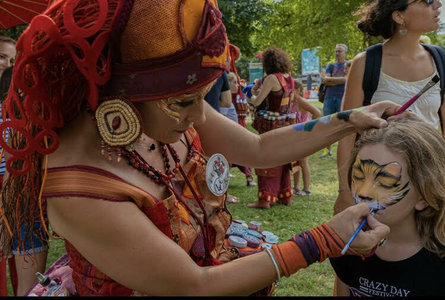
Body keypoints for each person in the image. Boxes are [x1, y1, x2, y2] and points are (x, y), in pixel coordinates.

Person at [0, 0, 403, 296]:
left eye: (203, 97)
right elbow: (193, 286)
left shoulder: (168, 109)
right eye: (184, 103)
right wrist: (321, 241)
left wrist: (352, 118)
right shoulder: (78, 183)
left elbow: (261, 148)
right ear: (120, 96)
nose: (200, 116)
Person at [335, 0, 444, 215]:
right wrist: (344, 192)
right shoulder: (366, 63)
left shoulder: (441, 60)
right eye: (427, 1)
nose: (439, 4)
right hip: (377, 186)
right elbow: (346, 134)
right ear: (399, 17)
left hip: (429, 184)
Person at [330, 118, 445, 296]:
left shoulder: (438, 263)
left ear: (424, 196)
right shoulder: (348, 244)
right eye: (359, 177)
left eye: (383, 182)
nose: (364, 193)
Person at [248, 45, 296, 208]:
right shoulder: (289, 78)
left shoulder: (271, 78)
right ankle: (285, 196)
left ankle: (265, 199)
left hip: (271, 125)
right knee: (283, 160)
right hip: (285, 123)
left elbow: (257, 101)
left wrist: (252, 94)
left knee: (267, 159)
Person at [290, 80, 322, 197]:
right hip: (294, 137)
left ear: (298, 90)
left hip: (303, 136)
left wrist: (308, 127)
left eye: (291, 90)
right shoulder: (291, 102)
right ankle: (296, 187)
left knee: (303, 162)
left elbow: (317, 113)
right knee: (295, 163)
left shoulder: (300, 101)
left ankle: (306, 189)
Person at [226, 71, 257, 188]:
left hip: (241, 128)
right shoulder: (225, 99)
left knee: (245, 153)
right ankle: (225, 177)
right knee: (228, 155)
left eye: (238, 83)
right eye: (234, 83)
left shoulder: (241, 94)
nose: (237, 85)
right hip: (231, 131)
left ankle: (249, 178)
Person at [320, 44, 348, 158]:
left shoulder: (349, 64)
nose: (337, 53)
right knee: (327, 123)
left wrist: (331, 80)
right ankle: (327, 150)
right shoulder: (330, 65)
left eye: (340, 51)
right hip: (329, 97)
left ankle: (343, 150)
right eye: (336, 51)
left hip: (342, 97)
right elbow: (325, 81)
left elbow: (346, 79)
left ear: (345, 52)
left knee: (343, 125)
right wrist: (338, 80)